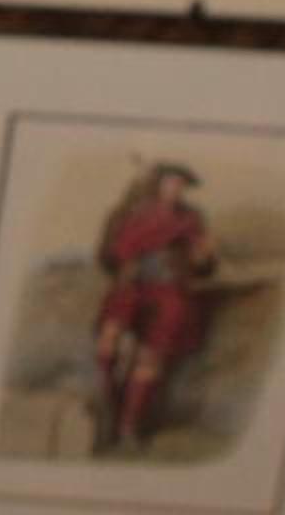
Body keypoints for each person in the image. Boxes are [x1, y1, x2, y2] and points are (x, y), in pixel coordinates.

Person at [93, 162, 217, 451]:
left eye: (180, 184)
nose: (175, 188)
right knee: (107, 346)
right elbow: (109, 255)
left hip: (169, 292)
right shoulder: (131, 212)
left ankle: (128, 427)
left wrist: (203, 257)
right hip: (130, 289)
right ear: (158, 184)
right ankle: (110, 411)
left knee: (150, 359)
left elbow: (204, 265)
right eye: (170, 182)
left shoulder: (191, 218)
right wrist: (125, 264)